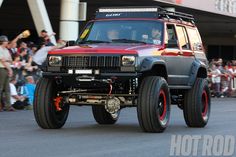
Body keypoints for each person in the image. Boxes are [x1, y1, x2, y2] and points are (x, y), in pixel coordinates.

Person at [0, 35, 15, 111]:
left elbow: (10, 60)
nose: (7, 42)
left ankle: (8, 106)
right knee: (0, 88)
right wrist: (10, 69)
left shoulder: (6, 50)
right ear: (2, 41)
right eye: (6, 41)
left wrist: (7, 61)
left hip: (6, 68)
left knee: (7, 89)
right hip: (1, 69)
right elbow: (2, 60)